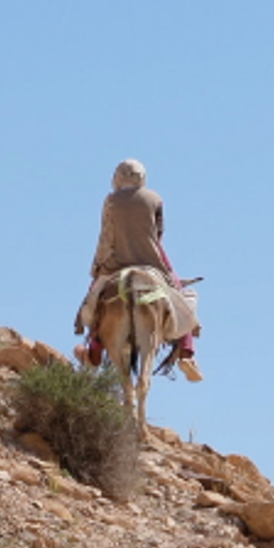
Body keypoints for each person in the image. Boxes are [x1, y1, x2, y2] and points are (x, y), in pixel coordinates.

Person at [74, 159, 201, 382]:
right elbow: (158, 233)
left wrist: (97, 268)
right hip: (151, 259)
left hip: (117, 261)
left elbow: (106, 236)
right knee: (179, 294)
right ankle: (187, 352)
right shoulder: (155, 199)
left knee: (94, 300)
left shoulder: (111, 201)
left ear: (117, 177)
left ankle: (94, 352)